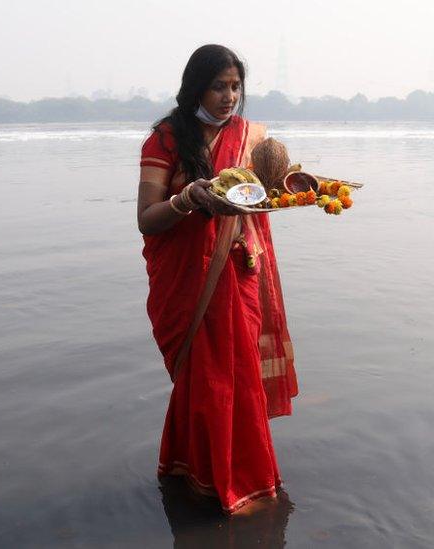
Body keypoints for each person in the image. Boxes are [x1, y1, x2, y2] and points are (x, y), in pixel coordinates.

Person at [136, 44, 298, 514]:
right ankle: (201, 471)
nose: (229, 97)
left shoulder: (253, 139)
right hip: (188, 282)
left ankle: (241, 480)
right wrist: (187, 199)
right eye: (218, 86)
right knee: (204, 381)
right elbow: (147, 219)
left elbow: (267, 194)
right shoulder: (166, 140)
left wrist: (297, 186)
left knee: (237, 376)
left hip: (240, 271)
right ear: (195, 88)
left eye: (235, 87)